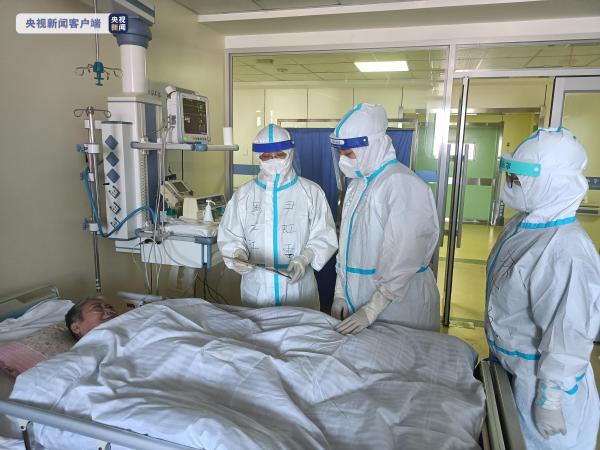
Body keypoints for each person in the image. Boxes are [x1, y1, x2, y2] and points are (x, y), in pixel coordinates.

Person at [486, 127, 600, 449]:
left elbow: (569, 330)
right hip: (513, 369)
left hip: (541, 385)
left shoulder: (567, 250)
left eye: (518, 179)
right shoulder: (525, 225)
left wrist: (550, 398)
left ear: (551, 182)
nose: (511, 184)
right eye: (511, 176)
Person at [330, 103, 440, 334]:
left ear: (372, 146)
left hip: (400, 306)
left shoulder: (402, 184)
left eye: (349, 153)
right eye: (340, 153)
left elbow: (405, 255)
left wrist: (372, 308)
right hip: (359, 300)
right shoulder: (357, 185)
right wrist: (340, 292)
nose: (343, 160)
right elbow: (346, 244)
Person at [218, 124, 337, 310]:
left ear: (290, 153)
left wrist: (304, 259)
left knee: (299, 327)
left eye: (280, 155)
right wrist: (237, 255)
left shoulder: (311, 192)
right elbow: (230, 236)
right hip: (257, 288)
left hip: (298, 288)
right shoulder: (243, 195)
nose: (273, 160)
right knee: (258, 328)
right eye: (266, 156)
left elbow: (324, 236)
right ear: (258, 157)